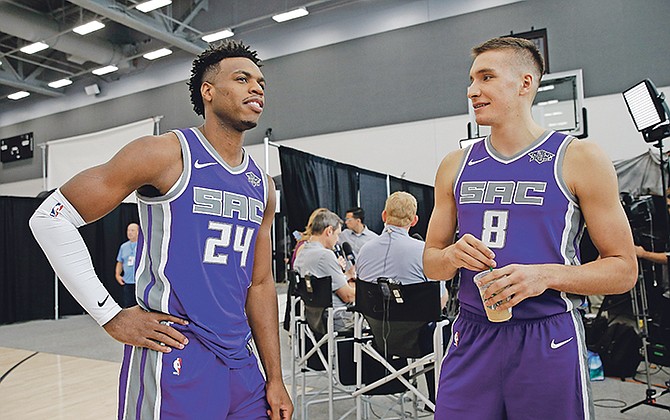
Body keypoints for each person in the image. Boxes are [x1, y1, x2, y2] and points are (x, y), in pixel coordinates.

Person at [30, 40, 292, 419]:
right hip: (176, 354)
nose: (256, 88)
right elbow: (50, 217)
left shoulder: (262, 185)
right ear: (208, 91)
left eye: (261, 83)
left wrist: (276, 378)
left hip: (243, 365)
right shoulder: (165, 154)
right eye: (242, 78)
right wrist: (110, 315)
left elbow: (262, 284)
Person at [423, 36, 637, 419]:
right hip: (471, 332)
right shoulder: (454, 164)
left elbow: (623, 269)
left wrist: (545, 276)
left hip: (547, 334)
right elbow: (431, 264)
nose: (473, 90)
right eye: (471, 80)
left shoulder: (579, 157)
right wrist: (452, 255)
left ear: (526, 83)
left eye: (486, 78)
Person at [356, 191, 437, 404]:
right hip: (421, 341)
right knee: (442, 327)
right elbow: (441, 301)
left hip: (375, 338)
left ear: (384, 215)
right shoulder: (423, 252)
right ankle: (435, 399)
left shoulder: (364, 251)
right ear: (415, 220)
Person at [293, 209, 356, 332]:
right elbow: (348, 296)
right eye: (337, 235)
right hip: (339, 321)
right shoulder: (325, 255)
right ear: (329, 231)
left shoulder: (302, 252)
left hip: (314, 321)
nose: (337, 240)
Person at [115, 222, 139, 308]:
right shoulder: (123, 246)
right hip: (128, 281)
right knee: (129, 305)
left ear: (138, 232)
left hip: (140, 281)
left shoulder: (143, 246)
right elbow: (120, 262)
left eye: (132, 230)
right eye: (128, 230)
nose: (130, 232)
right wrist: (117, 275)